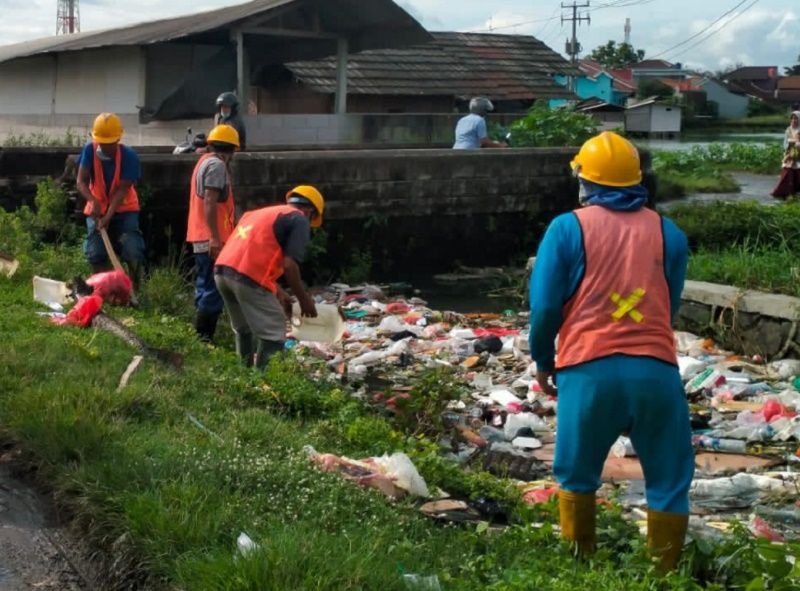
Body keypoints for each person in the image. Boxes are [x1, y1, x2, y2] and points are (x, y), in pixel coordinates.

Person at [528, 131, 692, 573]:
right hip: (657, 372)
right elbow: (667, 305)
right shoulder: (669, 233)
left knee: (577, 477)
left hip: (589, 370)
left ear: (585, 179)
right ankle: (664, 577)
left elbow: (544, 307)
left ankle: (580, 568)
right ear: (635, 180)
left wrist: (544, 359)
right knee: (670, 482)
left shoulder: (567, 227)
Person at [214, 186, 323, 368]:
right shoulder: (299, 219)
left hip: (222, 272)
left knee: (243, 328)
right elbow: (289, 265)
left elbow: (253, 256)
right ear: (310, 211)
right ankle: (265, 385)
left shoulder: (258, 214)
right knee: (274, 330)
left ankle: (244, 376)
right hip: (247, 279)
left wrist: (278, 292)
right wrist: (304, 300)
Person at [76, 112, 145, 287]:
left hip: (124, 209)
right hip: (96, 209)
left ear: (117, 140)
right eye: (102, 143)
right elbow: (81, 181)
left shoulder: (129, 157)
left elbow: (122, 190)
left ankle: (134, 287)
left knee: (132, 249)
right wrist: (93, 201)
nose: (105, 147)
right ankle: (103, 287)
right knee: (95, 251)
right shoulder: (89, 151)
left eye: (109, 144)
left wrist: (108, 216)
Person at [186, 125, 240, 343]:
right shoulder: (217, 166)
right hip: (211, 238)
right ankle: (203, 338)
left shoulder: (203, 162)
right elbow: (210, 201)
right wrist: (215, 237)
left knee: (204, 283)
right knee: (213, 287)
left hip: (200, 235)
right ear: (232, 150)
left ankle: (198, 335)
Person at [771, 111, 800, 199]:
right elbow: (784, 144)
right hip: (789, 156)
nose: (794, 120)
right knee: (787, 174)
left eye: (796, 118)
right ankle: (783, 192)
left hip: (799, 156)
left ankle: (795, 192)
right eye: (792, 118)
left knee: (797, 175)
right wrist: (790, 143)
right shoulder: (788, 130)